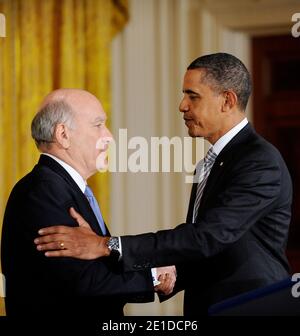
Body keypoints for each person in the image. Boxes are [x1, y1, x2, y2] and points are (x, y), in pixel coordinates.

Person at [34, 53, 293, 316]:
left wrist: (106, 245)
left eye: (193, 96)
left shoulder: (259, 161)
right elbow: (202, 245)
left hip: (251, 306)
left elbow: (207, 236)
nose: (182, 105)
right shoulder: (212, 163)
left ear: (227, 100)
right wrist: (161, 276)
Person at [1, 89, 176, 317]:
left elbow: (96, 264)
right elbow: (80, 280)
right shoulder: (43, 190)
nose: (109, 136)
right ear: (63, 134)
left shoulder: (62, 187)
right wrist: (152, 276)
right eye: (98, 125)